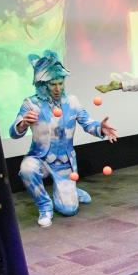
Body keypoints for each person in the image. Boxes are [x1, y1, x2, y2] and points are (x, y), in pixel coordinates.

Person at [11, 50, 118, 227]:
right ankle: (45, 206)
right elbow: (14, 132)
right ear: (42, 84)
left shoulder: (72, 101)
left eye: (60, 83)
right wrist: (22, 124)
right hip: (40, 158)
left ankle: (70, 191)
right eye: (53, 84)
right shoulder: (31, 104)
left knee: (69, 210)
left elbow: (87, 122)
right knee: (26, 169)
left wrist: (100, 127)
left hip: (63, 162)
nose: (58, 88)